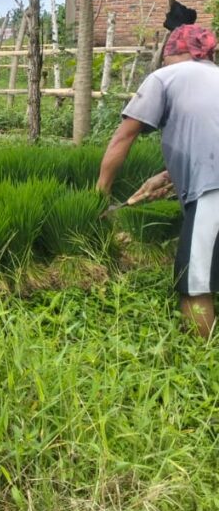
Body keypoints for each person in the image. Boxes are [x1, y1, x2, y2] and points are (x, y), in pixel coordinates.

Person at [97, 23, 219, 337]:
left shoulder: (165, 77)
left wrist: (99, 197)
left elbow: (123, 138)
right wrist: (168, 178)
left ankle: (200, 369)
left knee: (193, 284)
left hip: (213, 192)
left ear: (176, 52)